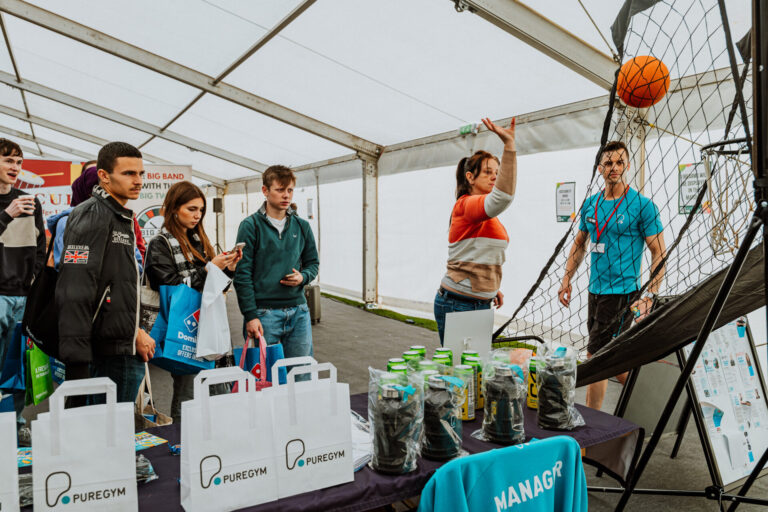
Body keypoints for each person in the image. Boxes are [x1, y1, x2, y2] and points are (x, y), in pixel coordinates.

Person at [558, 140, 666, 411]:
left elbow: (659, 253)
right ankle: (654, 401)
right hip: (596, 292)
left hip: (623, 293)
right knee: (612, 358)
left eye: (619, 162)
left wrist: (650, 295)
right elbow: (580, 243)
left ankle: (592, 422)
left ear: (627, 166)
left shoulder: (642, 206)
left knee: (596, 357)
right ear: (600, 169)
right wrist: (566, 279)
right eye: (608, 163)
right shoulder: (591, 205)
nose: (614, 168)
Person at [55, 142, 156, 402]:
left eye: (141, 173)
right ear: (104, 176)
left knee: (112, 433)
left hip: (122, 343)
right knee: (106, 433)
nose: (138, 181)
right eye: (129, 173)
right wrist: (77, 359)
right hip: (109, 349)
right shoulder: (92, 215)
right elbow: (74, 288)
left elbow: (119, 286)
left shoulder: (118, 215)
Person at [144, 181, 241, 423]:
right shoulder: (160, 243)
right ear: (174, 208)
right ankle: (183, 448)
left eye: (201, 210)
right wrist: (210, 270)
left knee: (220, 394)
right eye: (191, 209)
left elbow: (216, 289)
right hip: (187, 328)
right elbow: (171, 288)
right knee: (190, 395)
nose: (197, 215)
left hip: (210, 325)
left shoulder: (200, 240)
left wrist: (227, 270)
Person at [433, 118, 518, 345]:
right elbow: (503, 197)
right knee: (464, 374)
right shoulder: (466, 205)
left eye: (497, 173)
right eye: (488, 172)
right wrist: (509, 146)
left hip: (480, 302)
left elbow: (481, 254)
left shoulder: (487, 214)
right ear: (469, 177)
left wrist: (490, 287)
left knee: (475, 373)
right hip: (459, 303)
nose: (495, 177)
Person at [234, 165, 319, 358]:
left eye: (289, 190)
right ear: (265, 191)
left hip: (299, 311)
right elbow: (242, 274)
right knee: (265, 379)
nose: (286, 196)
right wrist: (250, 315)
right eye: (280, 190)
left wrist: (303, 277)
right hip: (264, 314)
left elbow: (313, 263)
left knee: (301, 374)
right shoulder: (250, 226)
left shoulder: (302, 226)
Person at [0, 138, 45, 432]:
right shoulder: (15, 206)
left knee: (19, 365)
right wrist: (7, 214)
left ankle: (14, 423)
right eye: (8, 161)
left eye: (19, 162)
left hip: (24, 296)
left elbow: (40, 247)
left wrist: (34, 283)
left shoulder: (31, 201)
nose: (15, 167)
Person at [48, 161, 144, 271]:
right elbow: (71, 268)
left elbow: (137, 264)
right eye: (96, 192)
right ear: (85, 192)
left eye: (106, 193)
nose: (103, 197)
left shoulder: (122, 218)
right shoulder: (68, 221)